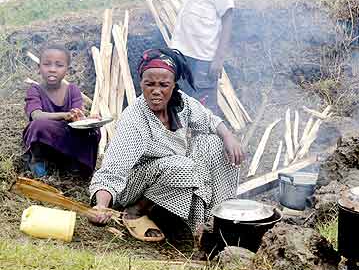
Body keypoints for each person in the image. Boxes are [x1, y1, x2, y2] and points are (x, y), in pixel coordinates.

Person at [89, 48, 243, 242]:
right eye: (149, 84)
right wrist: (101, 206)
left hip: (175, 174)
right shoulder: (135, 118)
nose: (156, 91)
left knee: (214, 144)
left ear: (173, 86)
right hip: (134, 186)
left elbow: (209, 120)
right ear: (141, 84)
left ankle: (217, 219)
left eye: (164, 85)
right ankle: (136, 212)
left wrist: (228, 136)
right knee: (183, 166)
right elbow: (112, 171)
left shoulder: (181, 103)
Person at [171, 0, 234, 114]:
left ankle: (207, 138)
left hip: (204, 60)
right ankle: (187, 134)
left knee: (204, 104)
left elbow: (228, 21)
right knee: (185, 98)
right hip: (185, 55)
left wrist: (219, 59)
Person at [23, 45, 100, 177]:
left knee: (93, 131)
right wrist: (64, 115)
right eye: (47, 64)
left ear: (67, 70)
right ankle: (38, 159)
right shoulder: (35, 90)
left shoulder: (73, 90)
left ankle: (73, 162)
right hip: (44, 140)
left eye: (59, 65)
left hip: (65, 136)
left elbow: (77, 117)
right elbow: (36, 115)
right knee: (39, 125)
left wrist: (87, 119)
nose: (52, 69)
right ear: (39, 68)